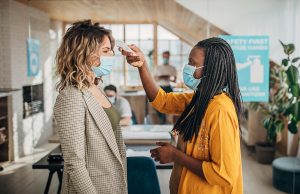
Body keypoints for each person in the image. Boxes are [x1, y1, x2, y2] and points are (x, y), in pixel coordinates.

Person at [121, 37, 243, 194]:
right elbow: (162, 101)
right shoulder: (200, 98)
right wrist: (142, 65)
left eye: (193, 64)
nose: (188, 68)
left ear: (211, 69)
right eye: (188, 62)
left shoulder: (220, 110)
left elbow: (223, 174)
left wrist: (175, 155)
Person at [54, 20, 127, 194]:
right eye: (106, 50)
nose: (112, 55)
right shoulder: (71, 96)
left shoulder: (97, 87)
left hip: (113, 183)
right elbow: (74, 163)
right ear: (85, 53)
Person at [154, 51, 177, 124]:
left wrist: (168, 77)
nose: (165, 58)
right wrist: (163, 77)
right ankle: (162, 119)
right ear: (162, 57)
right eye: (164, 57)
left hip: (168, 88)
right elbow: (155, 79)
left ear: (169, 57)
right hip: (160, 88)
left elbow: (174, 80)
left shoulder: (172, 68)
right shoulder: (158, 68)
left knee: (170, 105)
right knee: (158, 105)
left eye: (167, 57)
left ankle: (169, 121)